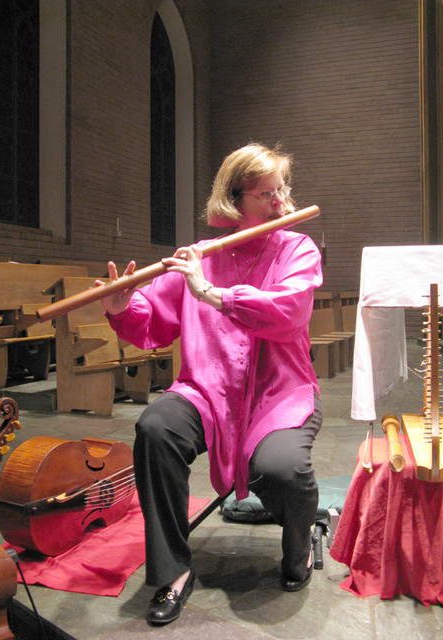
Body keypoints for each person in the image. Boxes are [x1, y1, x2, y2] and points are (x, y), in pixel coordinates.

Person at [97, 142, 323, 625]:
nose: (281, 203)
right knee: (156, 427)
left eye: (282, 190)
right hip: (206, 391)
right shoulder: (200, 256)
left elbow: (290, 311)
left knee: (282, 468)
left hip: (279, 395)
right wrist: (121, 307)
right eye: (267, 194)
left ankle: (300, 546)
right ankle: (173, 570)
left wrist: (214, 294)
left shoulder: (296, 249)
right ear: (234, 201)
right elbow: (153, 322)